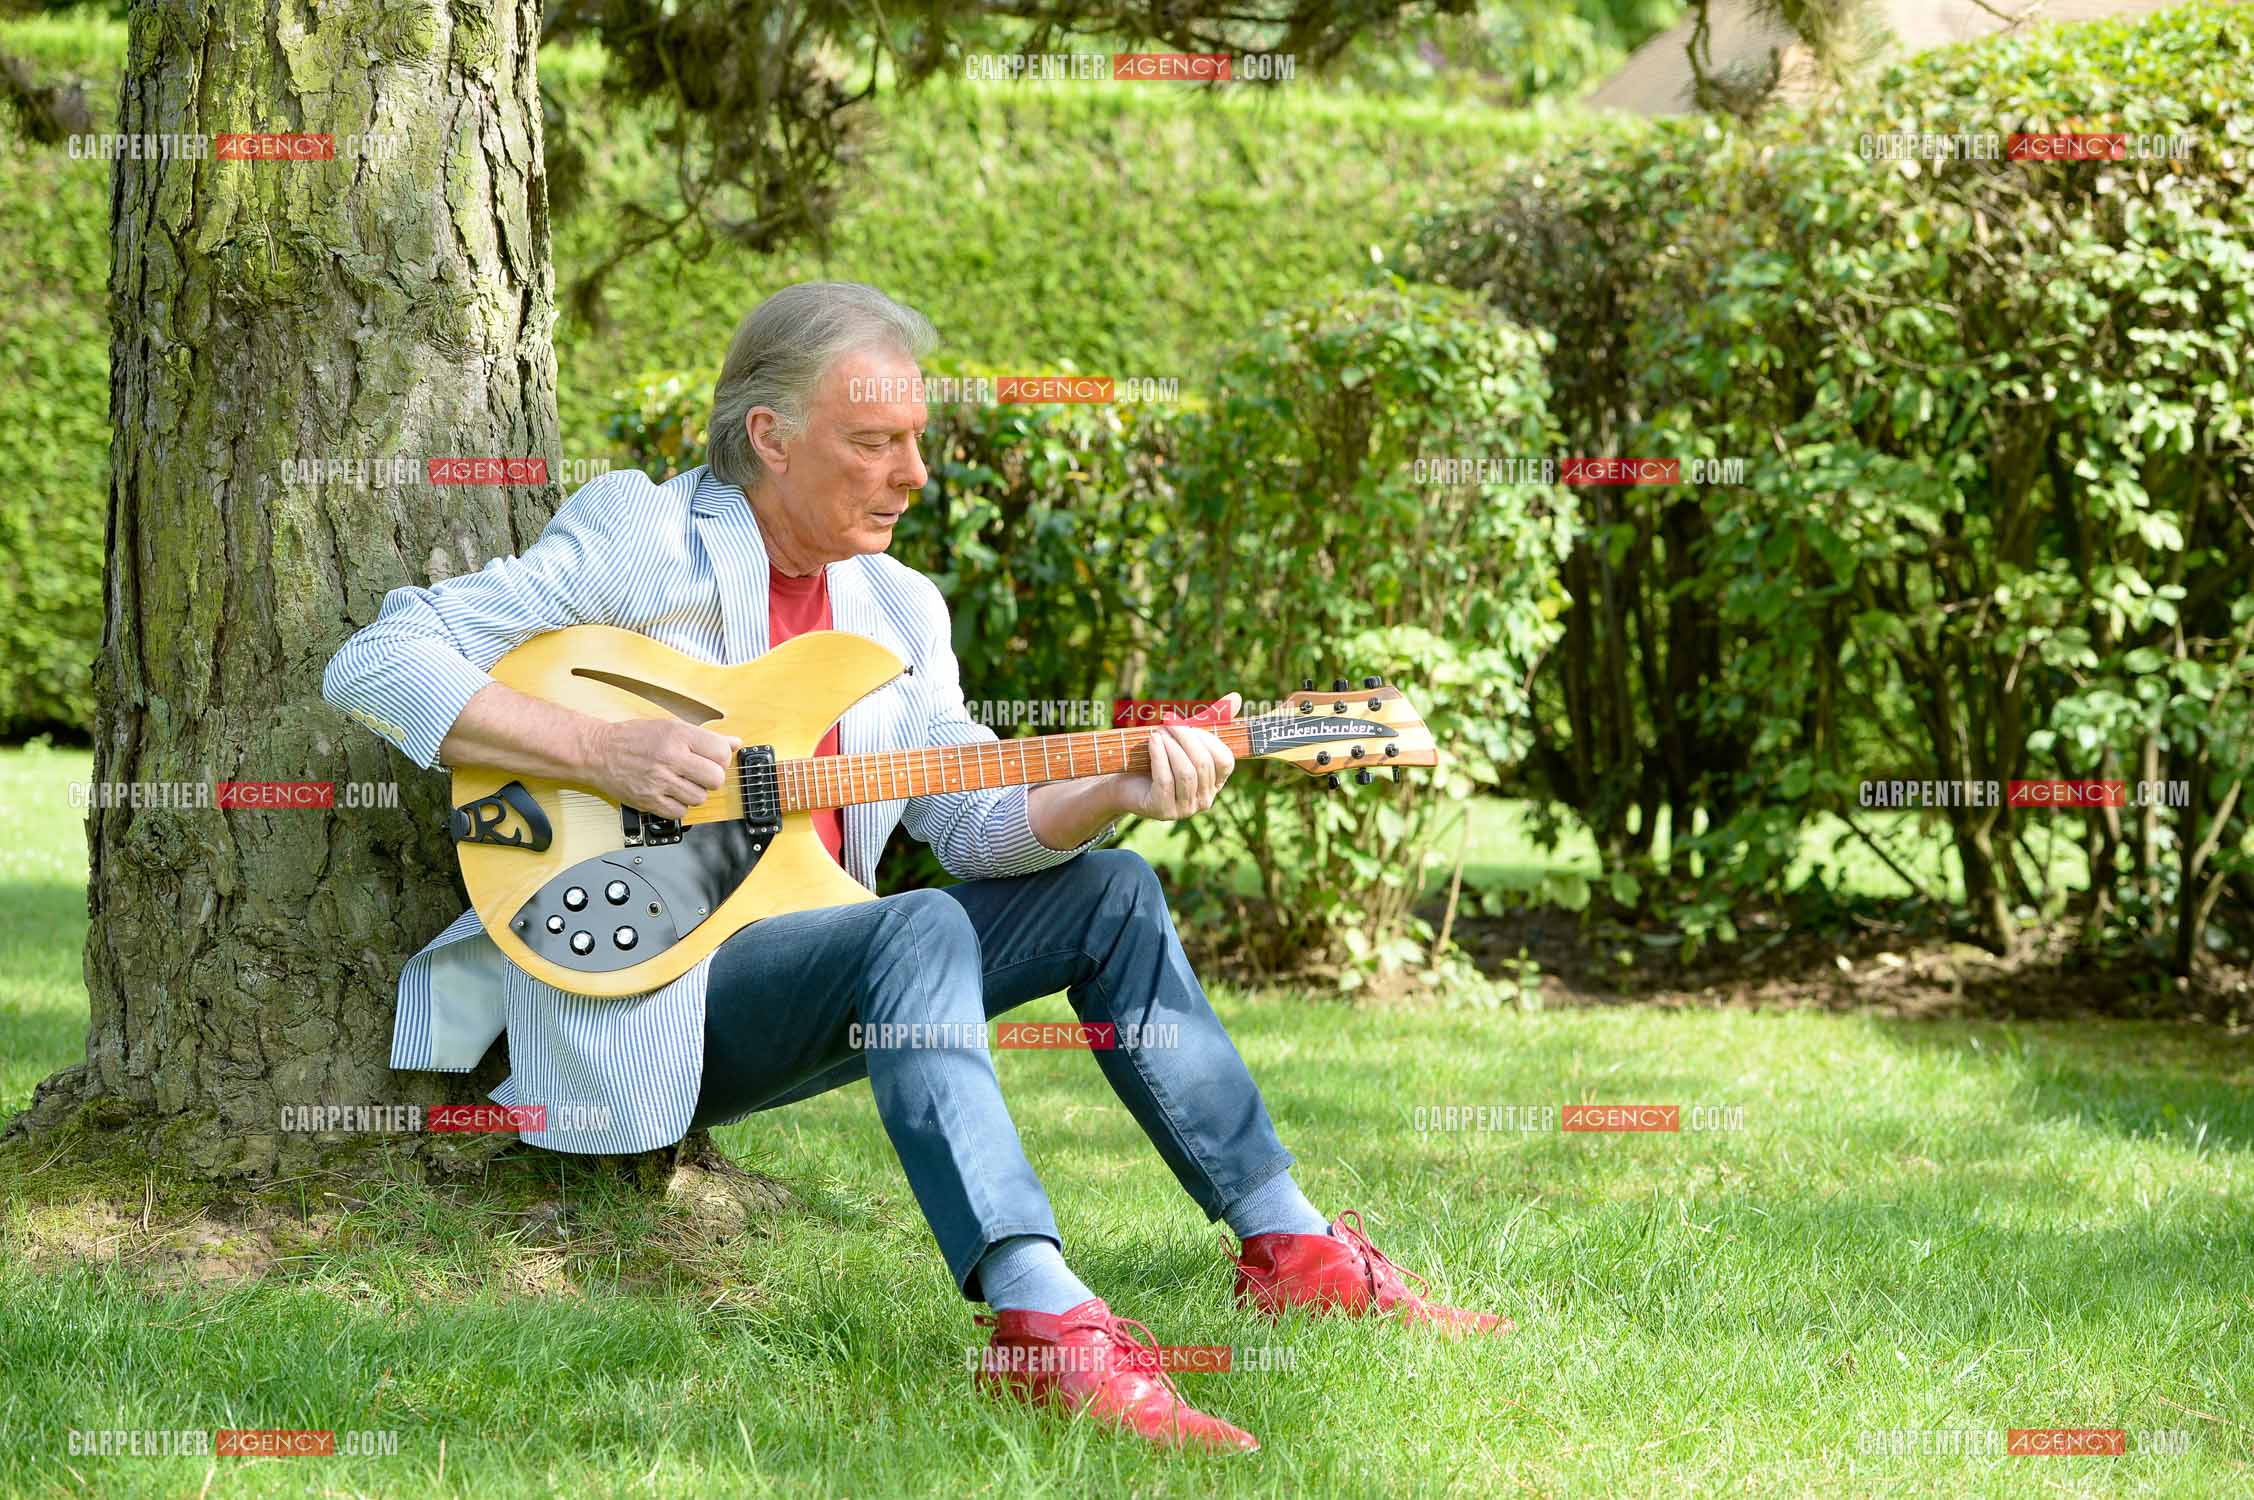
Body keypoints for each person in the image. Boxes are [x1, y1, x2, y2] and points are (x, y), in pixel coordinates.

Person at [322, 281, 1509, 1455]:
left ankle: (1293, 1249)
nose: (913, 475)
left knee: (1111, 891)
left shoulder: (897, 610)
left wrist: (1113, 786)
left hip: (821, 969)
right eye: (873, 442)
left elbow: (976, 827)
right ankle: (1041, 1323)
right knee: (917, 930)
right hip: (650, 987)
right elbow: (380, 660)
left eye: (916, 441)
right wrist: (604, 746)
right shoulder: (645, 538)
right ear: (770, 438)